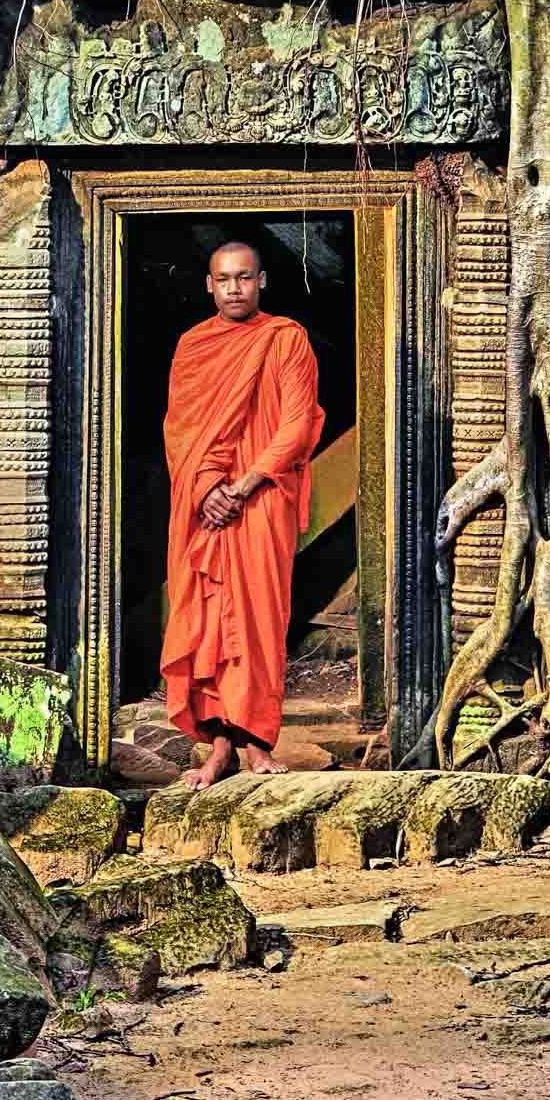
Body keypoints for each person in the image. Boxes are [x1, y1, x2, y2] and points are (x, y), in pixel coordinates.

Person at [159, 239, 324, 788]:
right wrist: (208, 488)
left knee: (257, 618)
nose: (234, 287)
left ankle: (257, 742)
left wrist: (243, 485)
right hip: (204, 505)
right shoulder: (193, 346)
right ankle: (219, 747)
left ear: (262, 282)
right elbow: (180, 430)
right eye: (224, 278)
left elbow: (297, 424)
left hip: (262, 499)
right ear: (209, 284)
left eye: (244, 277)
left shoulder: (286, 340)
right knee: (207, 620)